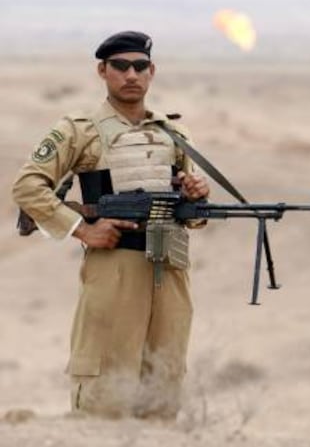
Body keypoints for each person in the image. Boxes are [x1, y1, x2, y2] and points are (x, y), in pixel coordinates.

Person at [12, 31, 210, 419]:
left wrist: (196, 196)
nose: (130, 75)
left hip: (170, 269)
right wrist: (82, 229)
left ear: (152, 71)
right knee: (106, 387)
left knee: (164, 383)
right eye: (120, 66)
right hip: (114, 266)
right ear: (103, 71)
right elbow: (27, 186)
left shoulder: (173, 133)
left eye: (139, 66)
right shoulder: (79, 130)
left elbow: (196, 216)